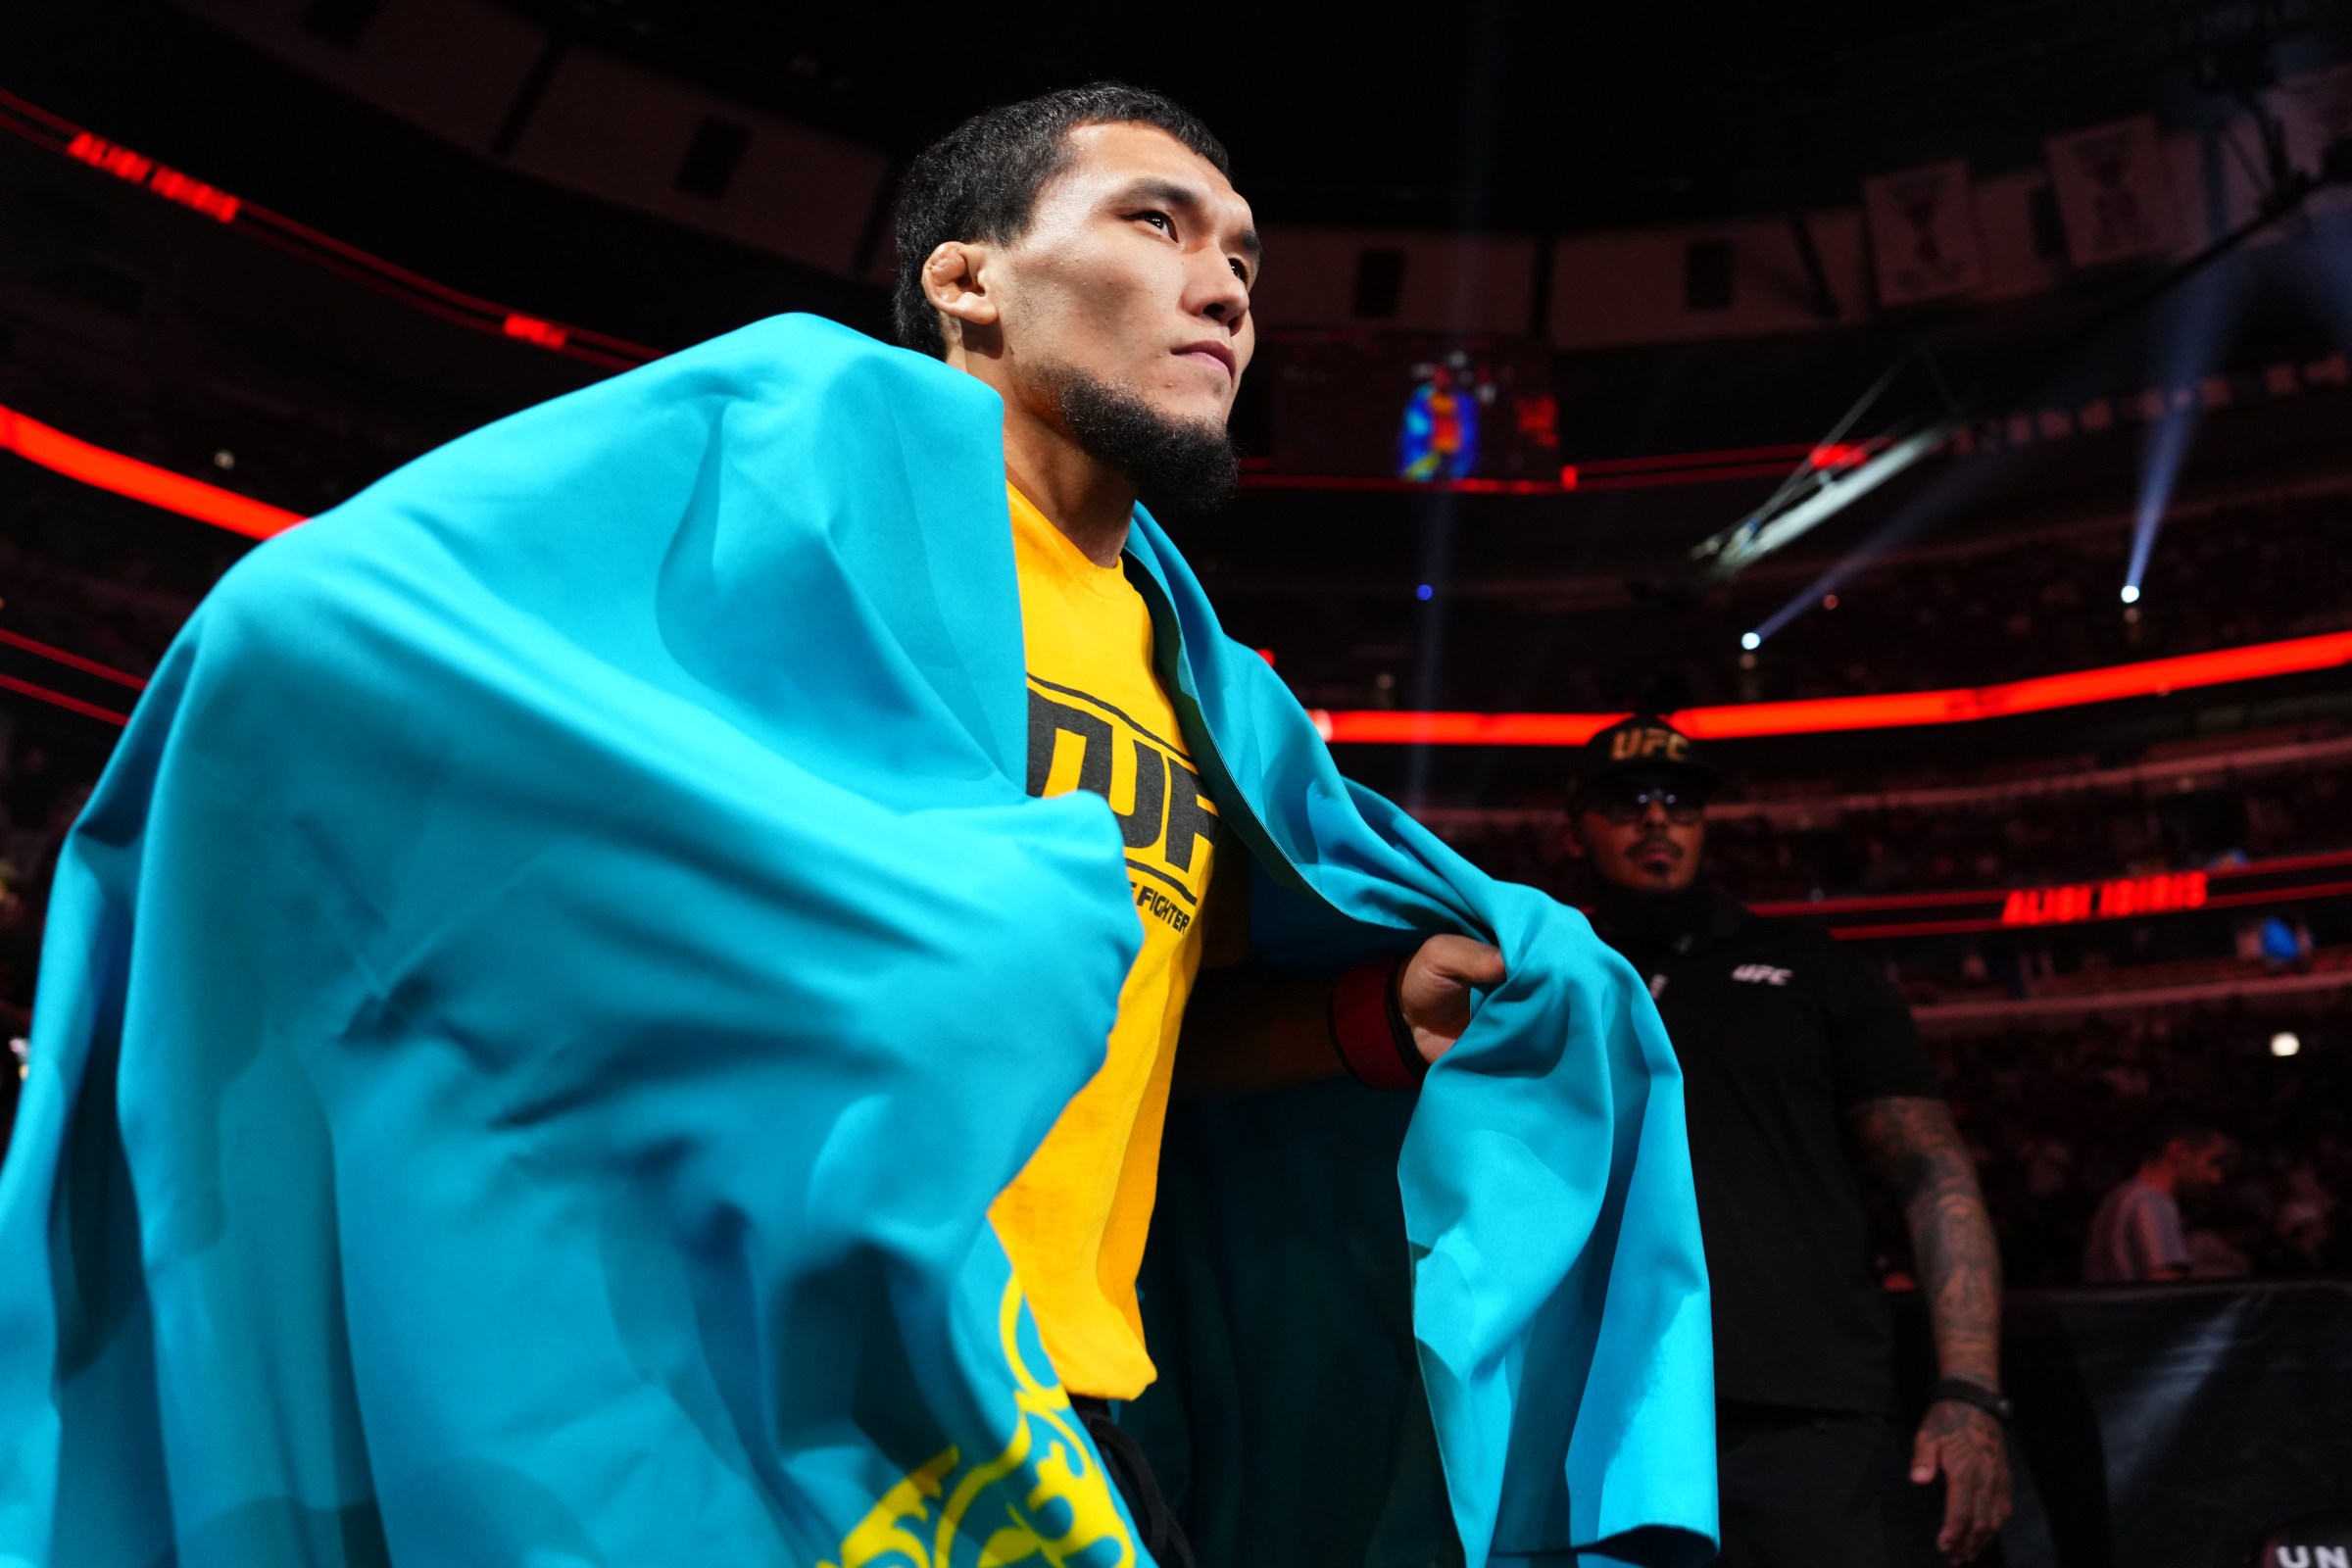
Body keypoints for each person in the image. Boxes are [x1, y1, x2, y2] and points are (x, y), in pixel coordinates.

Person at [0, 87, 1714, 1568]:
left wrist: (1363, 1020)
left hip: (1077, 1414)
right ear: (968, 278)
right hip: (771, 1378)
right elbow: (312, 622)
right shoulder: (800, 439)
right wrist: (971, 931)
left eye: (1245, 259)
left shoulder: (1220, 690)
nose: (1224, 290)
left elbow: (1128, 1049)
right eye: (1158, 222)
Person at [1564, 715, 2012, 1566]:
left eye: (1681, 800)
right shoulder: (1547, 975)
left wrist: (1971, 1394)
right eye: (1627, 801)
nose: (1658, 818)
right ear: (1575, 824)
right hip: (1599, 1414)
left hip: (1811, 1420)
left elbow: (1933, 1174)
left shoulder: (1816, 970)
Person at [2082, 1109, 2235, 1283]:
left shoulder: (2123, 1195)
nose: (2216, 1178)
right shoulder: (2151, 1203)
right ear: (2178, 1151)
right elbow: (2164, 1295)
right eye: (2211, 1161)